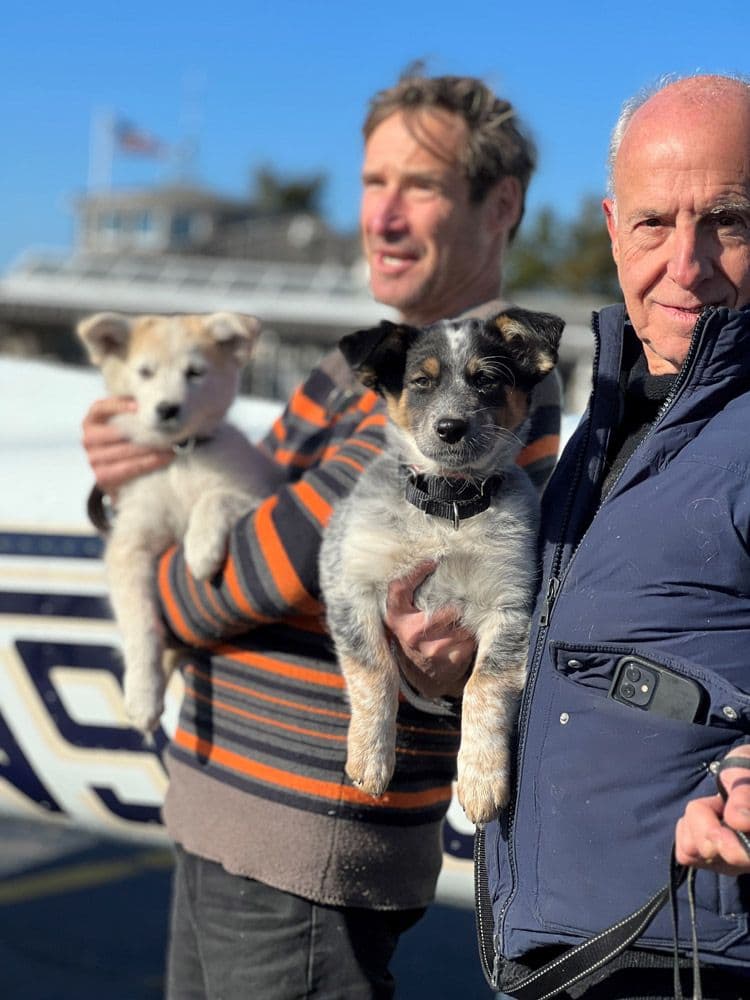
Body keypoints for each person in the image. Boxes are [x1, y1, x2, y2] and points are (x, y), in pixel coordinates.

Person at [81, 70, 561, 999]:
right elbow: (213, 503)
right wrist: (122, 495)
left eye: (417, 186)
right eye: (373, 182)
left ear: (499, 204)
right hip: (220, 802)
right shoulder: (354, 372)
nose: (380, 216)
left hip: (312, 842)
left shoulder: (486, 405)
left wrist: (163, 596)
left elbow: (263, 570)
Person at [476, 74, 750, 1000]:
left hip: (691, 956)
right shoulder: (605, 418)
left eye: (730, 221)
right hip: (564, 948)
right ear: (610, 227)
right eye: (653, 224)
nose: (687, 262)